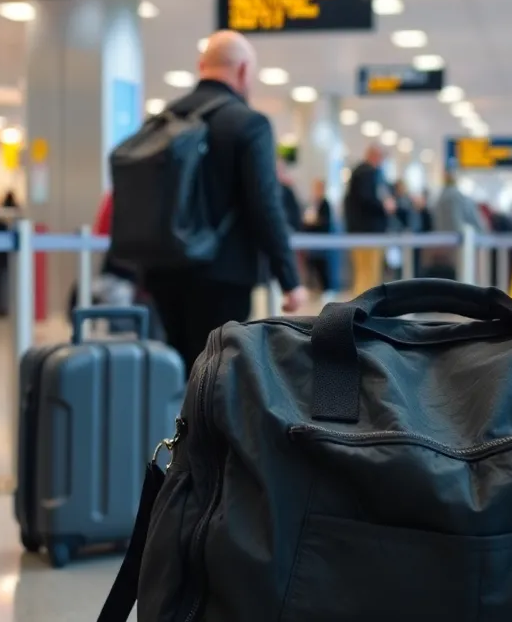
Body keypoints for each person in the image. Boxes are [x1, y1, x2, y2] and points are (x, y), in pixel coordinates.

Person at [141, 30, 307, 374]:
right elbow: (265, 204)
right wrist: (290, 279)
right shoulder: (248, 123)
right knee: (217, 373)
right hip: (223, 274)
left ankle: (180, 412)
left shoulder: (160, 121)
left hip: (163, 268)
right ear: (243, 70)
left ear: (201, 66)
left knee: (178, 368)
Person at [344, 144, 394, 296]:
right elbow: (368, 200)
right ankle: (364, 305)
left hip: (359, 231)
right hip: (368, 233)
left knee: (363, 273)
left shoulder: (358, 173)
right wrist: (384, 206)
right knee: (368, 275)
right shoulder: (367, 173)